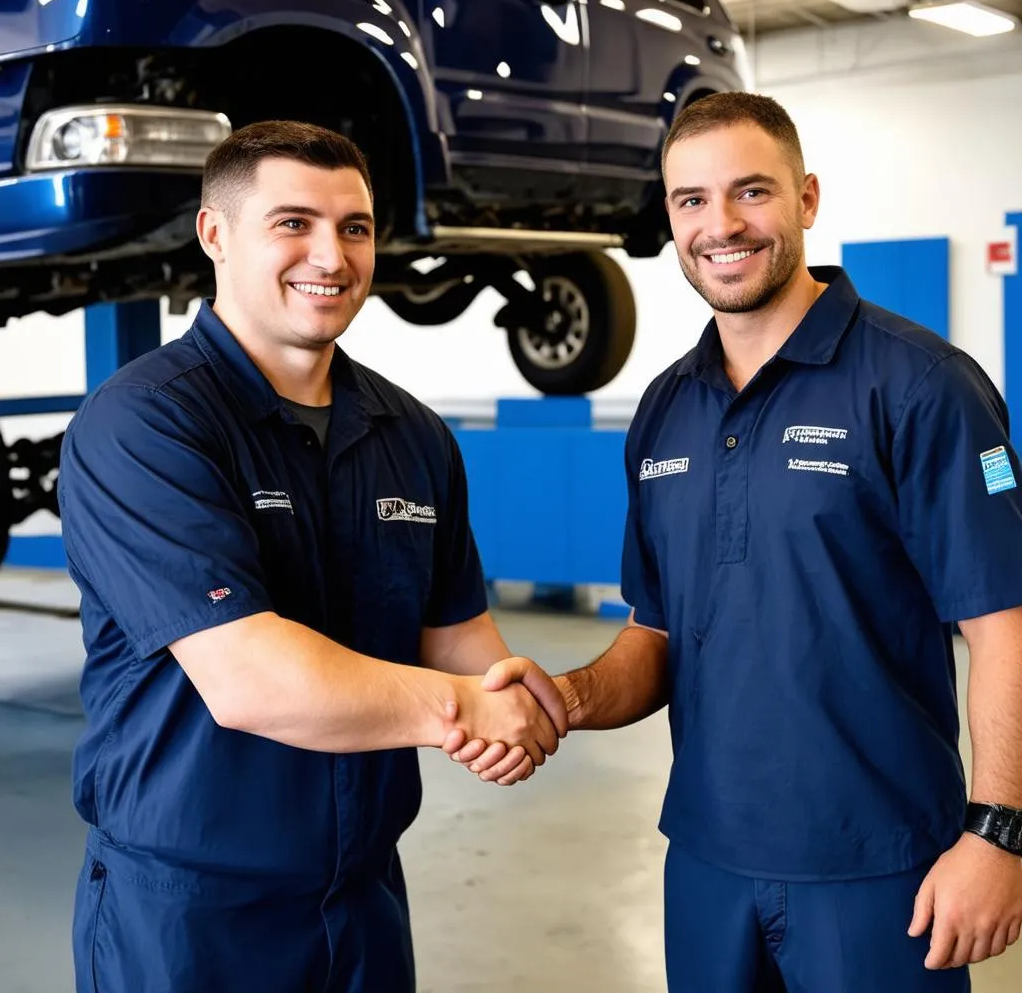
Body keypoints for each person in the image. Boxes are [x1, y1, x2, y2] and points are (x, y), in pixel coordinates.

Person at [447, 92, 1022, 990]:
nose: (721, 226)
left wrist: (998, 836)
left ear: (807, 199)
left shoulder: (921, 387)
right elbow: (658, 634)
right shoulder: (667, 408)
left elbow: (1004, 631)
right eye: (691, 201)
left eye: (752, 193)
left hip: (878, 867)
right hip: (706, 859)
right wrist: (561, 697)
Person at [58, 120, 566, 993]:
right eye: (292, 223)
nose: (330, 256)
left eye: (355, 227)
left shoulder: (411, 435)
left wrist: (517, 697)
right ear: (215, 236)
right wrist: (466, 713)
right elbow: (251, 679)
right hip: (189, 913)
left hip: (361, 896)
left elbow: (457, 638)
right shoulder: (145, 424)